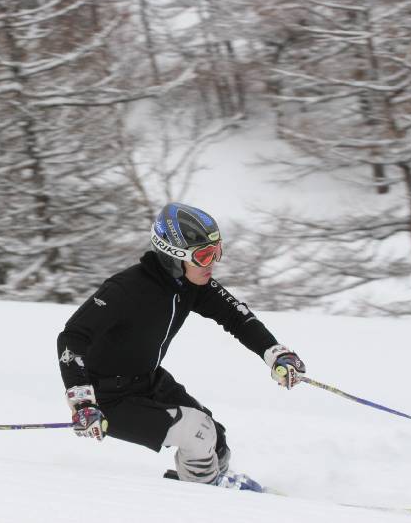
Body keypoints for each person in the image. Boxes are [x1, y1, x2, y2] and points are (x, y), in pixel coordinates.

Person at [56, 202, 306, 490]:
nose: (213, 262)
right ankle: (206, 498)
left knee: (216, 439)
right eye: (203, 255)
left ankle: (205, 485)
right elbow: (72, 337)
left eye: (216, 251)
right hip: (107, 398)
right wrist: (83, 402)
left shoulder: (191, 284)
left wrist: (275, 353)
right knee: (198, 432)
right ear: (173, 255)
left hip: (147, 380)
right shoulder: (126, 289)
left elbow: (236, 317)